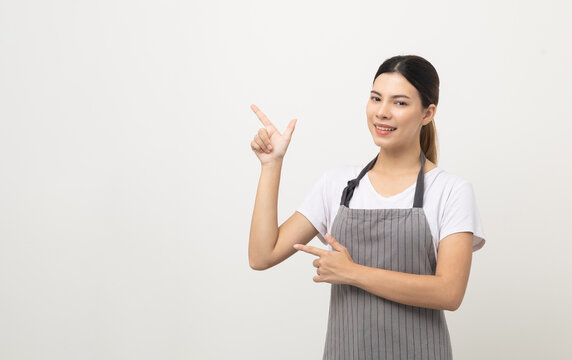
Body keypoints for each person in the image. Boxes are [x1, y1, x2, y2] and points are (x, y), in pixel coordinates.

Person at [248, 54, 486, 360]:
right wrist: (271, 165)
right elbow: (261, 255)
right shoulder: (337, 184)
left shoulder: (450, 191)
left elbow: (449, 293)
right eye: (376, 98)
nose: (382, 112)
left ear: (427, 113)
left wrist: (353, 273)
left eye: (400, 103)